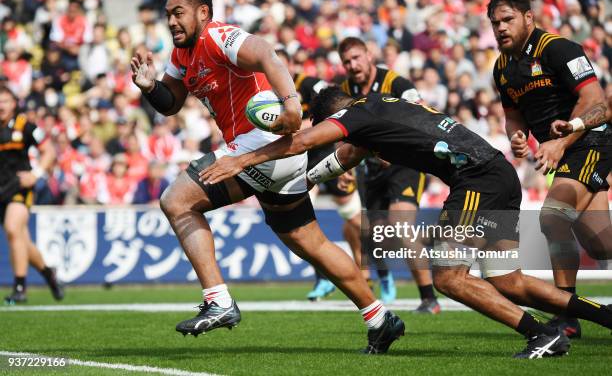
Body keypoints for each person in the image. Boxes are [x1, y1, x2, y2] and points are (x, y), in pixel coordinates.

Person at [200, 87, 612, 359]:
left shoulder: (357, 117)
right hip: (495, 174)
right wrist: (308, 179)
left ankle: (541, 334)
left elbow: (307, 141)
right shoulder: (380, 107)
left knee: (449, 278)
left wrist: (241, 160)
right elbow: (347, 157)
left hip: (477, 180)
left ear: (334, 121)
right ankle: (604, 316)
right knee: (510, 282)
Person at [130, 0, 403, 354]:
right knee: (310, 242)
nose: (172, 22)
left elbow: (265, 53)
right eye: (168, 16)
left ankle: (219, 300)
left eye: (179, 13)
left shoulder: (216, 36)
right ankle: (379, 318)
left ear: (203, 12)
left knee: (177, 201)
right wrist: (148, 87)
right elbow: (171, 103)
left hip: (261, 144)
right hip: (278, 158)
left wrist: (291, 103)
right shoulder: (181, 56)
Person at [489, 0, 612, 339]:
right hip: (563, 151)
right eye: (495, 22)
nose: (500, 28)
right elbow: (513, 113)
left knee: (552, 216)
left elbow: (596, 100)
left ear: (529, 17)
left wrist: (559, 143)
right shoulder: (502, 67)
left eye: (507, 19)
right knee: (600, 244)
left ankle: (566, 314)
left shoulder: (558, 48)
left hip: (592, 140)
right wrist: (516, 135)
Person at [337, 36, 439, 312]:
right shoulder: (345, 90)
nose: (353, 65)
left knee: (401, 227)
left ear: (369, 55)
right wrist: (341, 165)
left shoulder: (396, 82)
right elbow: (340, 131)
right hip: (370, 169)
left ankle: (429, 298)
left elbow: (420, 115)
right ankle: (429, 240)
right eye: (347, 61)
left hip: (404, 164)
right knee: (374, 234)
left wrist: (394, 146)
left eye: (357, 58)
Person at [276, 48, 364, 301]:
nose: (278, 73)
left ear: (292, 65)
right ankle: (322, 279)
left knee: (356, 221)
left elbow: (339, 110)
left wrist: (301, 128)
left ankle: (377, 272)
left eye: (283, 66)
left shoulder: (312, 85)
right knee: (305, 224)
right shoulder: (268, 93)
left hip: (329, 156)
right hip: (297, 164)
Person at [0, 86, 64, 304]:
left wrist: (35, 175)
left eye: (6, 101)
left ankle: (19, 288)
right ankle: (48, 273)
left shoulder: (24, 125)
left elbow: (50, 151)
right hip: (1, 190)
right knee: (21, 241)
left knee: (12, 228)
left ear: (14, 104)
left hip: (19, 187)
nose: (1, 105)